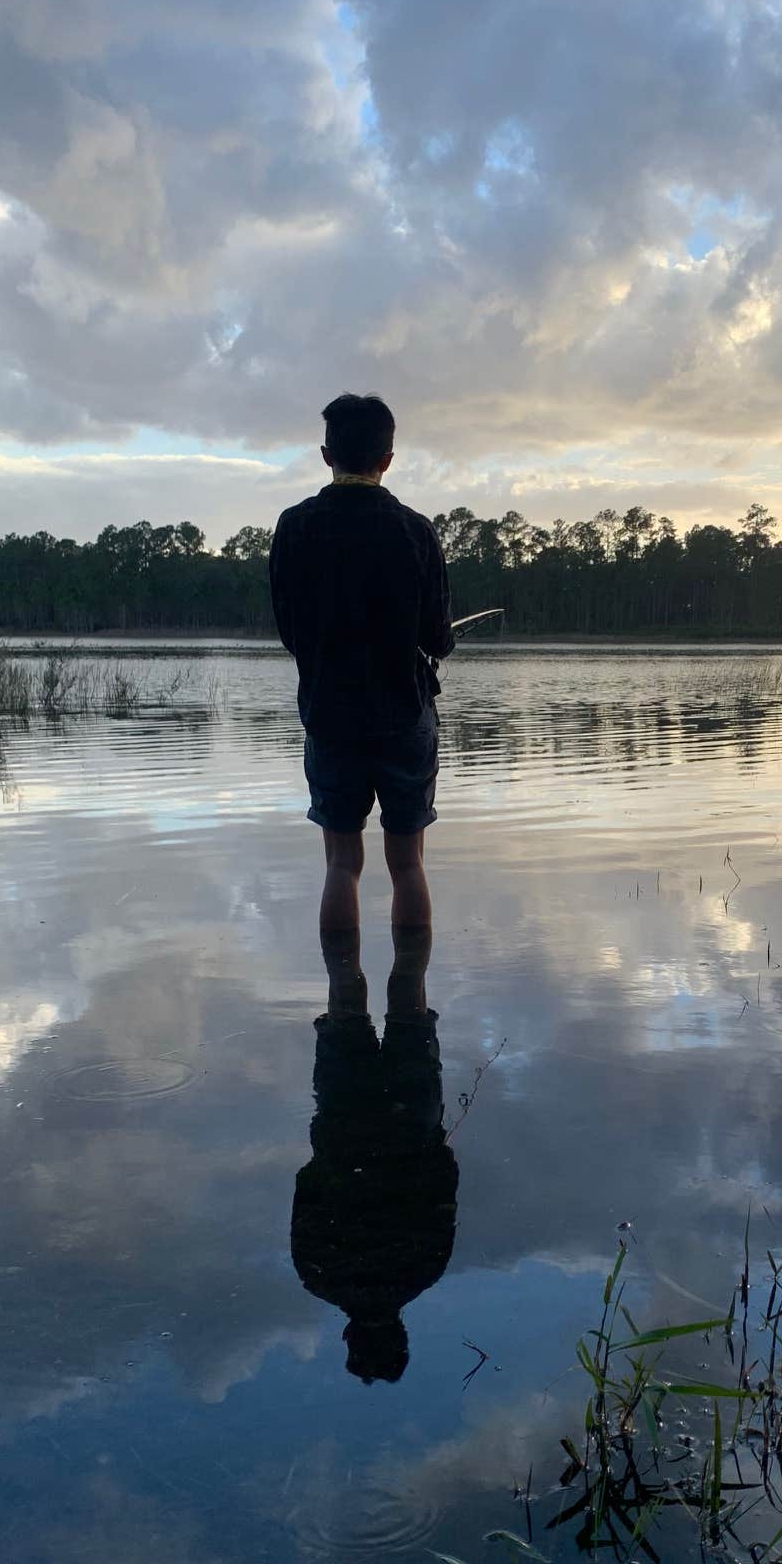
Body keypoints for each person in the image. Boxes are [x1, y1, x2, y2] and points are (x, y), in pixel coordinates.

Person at [269, 393, 454, 935]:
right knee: (408, 865)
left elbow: (289, 633)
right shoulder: (415, 530)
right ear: (387, 459)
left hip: (329, 717)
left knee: (341, 866)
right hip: (404, 716)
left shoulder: (295, 526)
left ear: (328, 455)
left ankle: (343, 1009)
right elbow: (438, 640)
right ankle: (411, 1013)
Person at [291, 929, 459, 1384]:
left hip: (413, 1119)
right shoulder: (317, 1274)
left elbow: (446, 1177)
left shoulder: (426, 1268)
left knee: (408, 985)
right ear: (348, 1337)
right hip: (342, 1118)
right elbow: (306, 1184)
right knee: (344, 987)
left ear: (402, 1335)